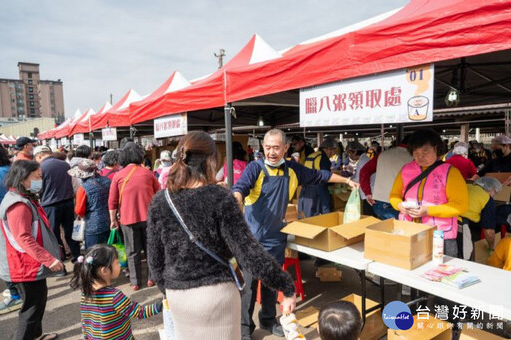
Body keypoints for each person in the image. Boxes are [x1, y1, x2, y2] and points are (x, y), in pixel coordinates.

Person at [147, 131, 296, 340]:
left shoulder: (160, 201)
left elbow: (154, 259)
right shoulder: (220, 198)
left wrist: (170, 288)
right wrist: (286, 286)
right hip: (217, 296)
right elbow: (248, 252)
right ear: (210, 162)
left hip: (177, 296)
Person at [232, 129, 358, 339]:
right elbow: (241, 187)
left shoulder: (293, 170)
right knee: (249, 289)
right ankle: (245, 330)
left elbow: (321, 175)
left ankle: (268, 319)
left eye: (276, 147)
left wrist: (346, 181)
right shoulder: (256, 168)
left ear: (285, 148)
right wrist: (235, 198)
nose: (272, 152)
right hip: (251, 240)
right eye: (268, 147)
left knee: (273, 282)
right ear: (263, 147)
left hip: (275, 237)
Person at [0, 160, 64, 340]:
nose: (39, 181)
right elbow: (24, 238)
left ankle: (36, 335)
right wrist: (48, 259)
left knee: (37, 303)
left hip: (27, 264)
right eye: (37, 177)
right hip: (23, 266)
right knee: (31, 309)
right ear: (22, 178)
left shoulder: (23, 198)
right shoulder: (19, 204)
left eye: (41, 177)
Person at [390, 129, 469, 257]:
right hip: (409, 230)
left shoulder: (450, 172)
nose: (420, 157)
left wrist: (427, 211)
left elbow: (461, 205)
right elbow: (394, 195)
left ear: (436, 149)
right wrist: (399, 205)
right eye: (416, 153)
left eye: (425, 151)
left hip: (440, 235)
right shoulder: (406, 169)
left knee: (440, 272)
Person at [70, 244, 162, 339]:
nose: (120, 265)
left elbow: (85, 322)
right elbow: (139, 312)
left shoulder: (85, 293)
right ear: (104, 271)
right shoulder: (115, 297)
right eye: (117, 263)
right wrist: (161, 305)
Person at [108, 142, 159, 290]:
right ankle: (152, 278)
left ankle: (135, 282)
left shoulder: (118, 176)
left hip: (127, 219)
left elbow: (112, 201)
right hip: (149, 218)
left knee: (132, 251)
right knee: (150, 249)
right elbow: (159, 193)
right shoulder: (148, 173)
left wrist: (113, 220)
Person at [34, 145, 80, 267]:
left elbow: (35, 189)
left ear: (39, 156)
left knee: (54, 236)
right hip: (68, 202)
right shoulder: (64, 164)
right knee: (70, 232)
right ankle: (78, 258)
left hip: (50, 205)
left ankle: (60, 263)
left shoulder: (39, 168)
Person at [360, 136, 412, 220]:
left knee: (385, 230)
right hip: (402, 203)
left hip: (379, 201)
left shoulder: (382, 155)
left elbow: (364, 171)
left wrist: (367, 192)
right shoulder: (414, 157)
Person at [0, 144, 22, 315]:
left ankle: (15, 294)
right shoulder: (11, 168)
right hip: (15, 216)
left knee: (4, 259)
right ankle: (18, 291)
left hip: (3, 219)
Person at [70, 159, 111, 249]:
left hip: (92, 225)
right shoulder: (107, 181)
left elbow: (79, 210)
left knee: (93, 254)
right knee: (109, 252)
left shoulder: (83, 188)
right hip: (109, 221)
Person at [458, 177, 502, 260]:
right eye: (495, 192)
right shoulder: (488, 199)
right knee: (465, 257)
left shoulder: (467, 186)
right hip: (460, 224)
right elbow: (489, 231)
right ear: (492, 189)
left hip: (443, 220)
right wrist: (491, 246)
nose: (494, 195)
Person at [299, 137, 337, 217]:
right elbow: (326, 176)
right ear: (327, 149)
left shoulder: (312, 155)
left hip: (306, 186)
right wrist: (334, 182)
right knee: (325, 207)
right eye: (333, 150)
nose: (333, 154)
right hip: (318, 186)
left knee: (309, 210)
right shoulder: (323, 158)